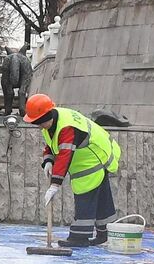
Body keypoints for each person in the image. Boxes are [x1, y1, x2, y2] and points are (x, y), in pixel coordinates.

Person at [23, 93, 122, 246]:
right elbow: (52, 144)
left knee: (85, 198)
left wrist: (55, 184)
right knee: (103, 199)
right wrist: (48, 160)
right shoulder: (52, 122)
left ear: (45, 116)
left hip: (93, 159)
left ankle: (79, 238)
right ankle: (106, 234)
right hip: (92, 157)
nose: (38, 126)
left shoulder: (67, 127)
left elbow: (65, 155)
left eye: (38, 122)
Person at [0, 45, 32, 119]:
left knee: (8, 90)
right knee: (22, 91)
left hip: (8, 65)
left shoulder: (8, 58)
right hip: (25, 64)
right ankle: (22, 109)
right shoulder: (24, 58)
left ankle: (7, 110)